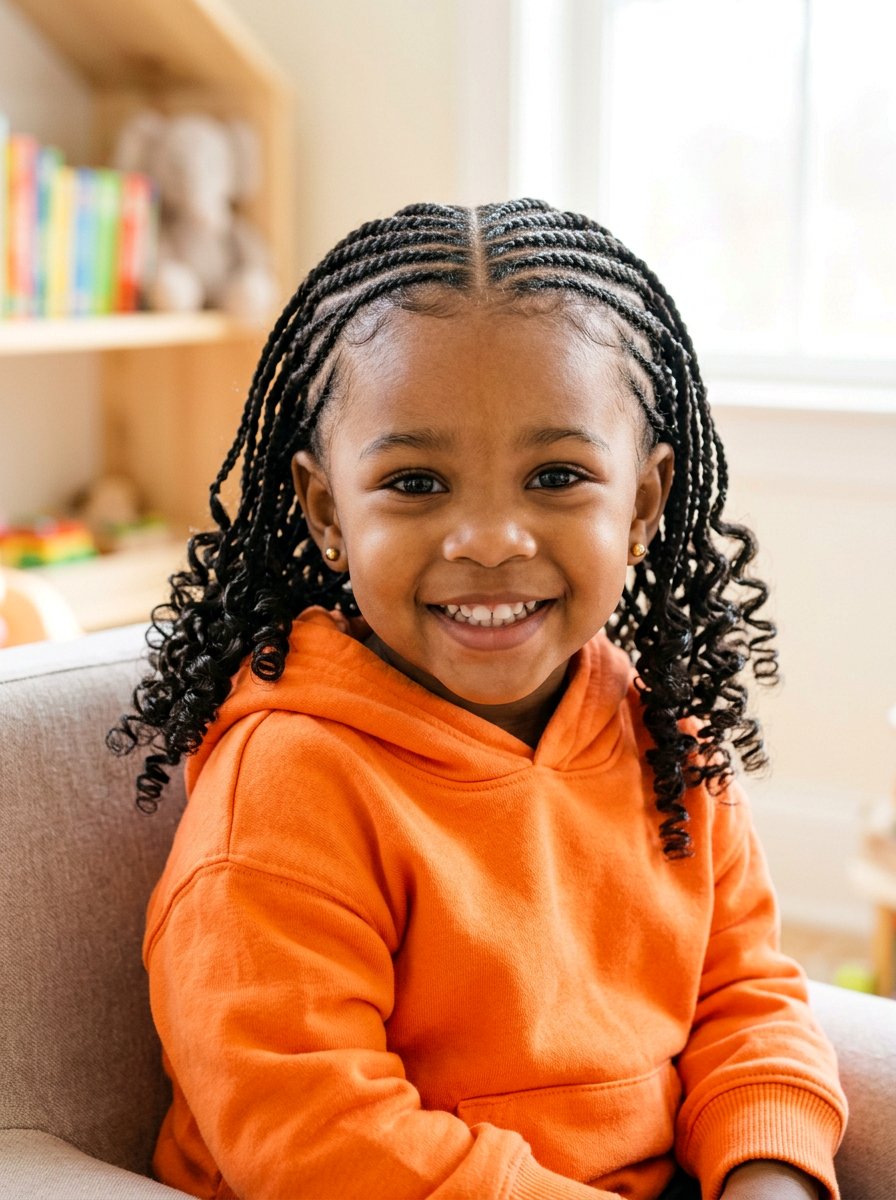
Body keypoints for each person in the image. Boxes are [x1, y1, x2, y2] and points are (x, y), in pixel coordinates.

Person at [110, 199, 847, 1200]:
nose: (490, 538)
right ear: (328, 511)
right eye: (415, 484)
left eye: (555, 475)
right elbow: (317, 1137)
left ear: (640, 504)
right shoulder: (289, 784)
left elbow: (744, 1002)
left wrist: (769, 1174)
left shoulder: (662, 735)